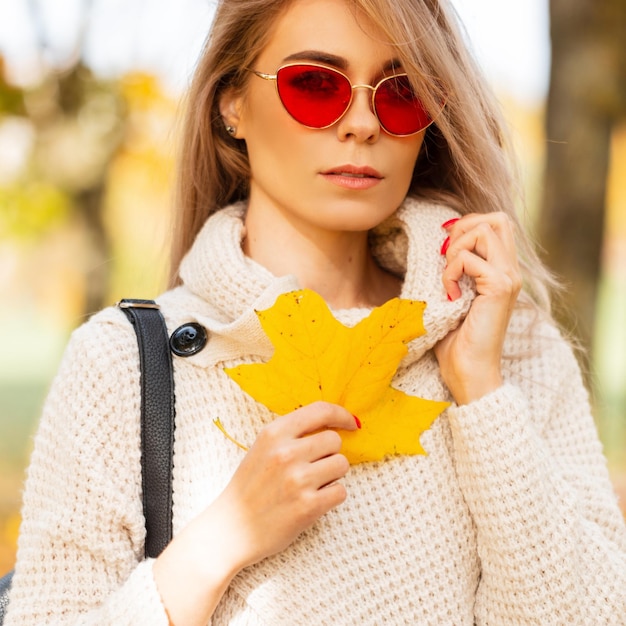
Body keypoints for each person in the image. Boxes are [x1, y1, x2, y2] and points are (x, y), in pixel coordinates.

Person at [6, 0, 626, 623]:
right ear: (232, 104)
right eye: (315, 84)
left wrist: (483, 396)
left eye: (402, 92)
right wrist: (224, 535)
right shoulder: (122, 366)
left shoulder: (511, 346)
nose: (362, 123)